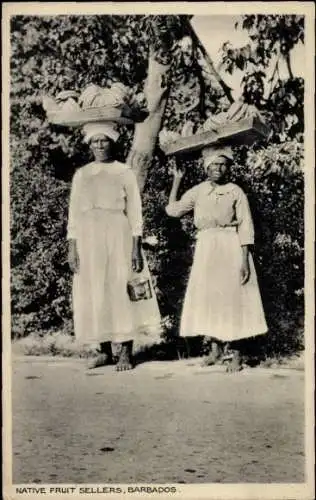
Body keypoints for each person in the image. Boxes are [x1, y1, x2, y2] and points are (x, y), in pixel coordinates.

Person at [67, 121, 161, 371]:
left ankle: (126, 352)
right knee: (95, 289)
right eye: (95, 141)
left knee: (121, 286)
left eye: (104, 140)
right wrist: (72, 247)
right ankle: (104, 350)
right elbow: (74, 214)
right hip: (89, 236)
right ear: (89, 144)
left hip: (118, 232)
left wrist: (135, 247)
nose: (99, 145)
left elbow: (135, 213)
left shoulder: (124, 172)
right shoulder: (82, 174)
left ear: (112, 142)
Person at [165, 146, 268, 372]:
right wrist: (176, 180)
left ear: (228, 167)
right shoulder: (198, 191)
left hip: (230, 245)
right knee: (209, 295)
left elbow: (246, 226)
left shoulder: (235, 191)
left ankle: (237, 354)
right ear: (206, 167)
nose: (218, 168)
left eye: (222, 164)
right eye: (213, 164)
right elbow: (173, 210)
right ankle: (215, 350)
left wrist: (244, 260)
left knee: (233, 296)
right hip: (206, 247)